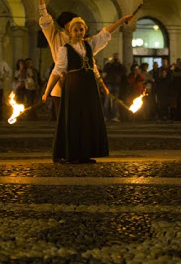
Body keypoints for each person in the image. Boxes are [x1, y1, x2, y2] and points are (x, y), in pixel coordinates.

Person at [42, 14, 129, 164]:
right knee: (74, 120)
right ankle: (71, 154)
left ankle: (84, 153)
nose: (79, 32)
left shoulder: (89, 45)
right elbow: (57, 72)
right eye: (75, 30)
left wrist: (121, 21)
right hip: (73, 88)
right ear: (70, 31)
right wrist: (47, 92)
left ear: (85, 30)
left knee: (87, 120)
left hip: (89, 89)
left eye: (81, 29)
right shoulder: (64, 50)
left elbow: (105, 35)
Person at [103, 53, 127, 122]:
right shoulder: (110, 64)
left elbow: (124, 71)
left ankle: (114, 116)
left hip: (116, 84)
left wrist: (120, 63)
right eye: (115, 56)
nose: (116, 58)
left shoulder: (119, 65)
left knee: (115, 101)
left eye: (117, 57)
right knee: (106, 101)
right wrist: (111, 63)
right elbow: (105, 69)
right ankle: (105, 116)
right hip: (109, 83)